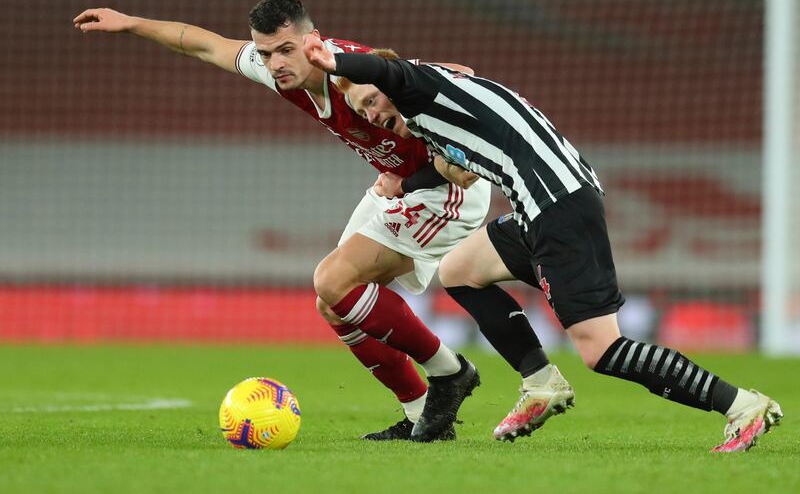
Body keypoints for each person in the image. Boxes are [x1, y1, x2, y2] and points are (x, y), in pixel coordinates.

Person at [304, 37, 784, 451]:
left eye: (372, 100)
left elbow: (385, 69)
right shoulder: (438, 107)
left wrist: (334, 62)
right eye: (363, 108)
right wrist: (405, 186)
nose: (371, 113)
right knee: (459, 270)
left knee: (602, 350)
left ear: (391, 82)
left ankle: (741, 405)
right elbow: (457, 168)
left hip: (559, 207)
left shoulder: (416, 85)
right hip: (540, 206)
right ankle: (540, 383)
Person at [73, 0, 497, 442]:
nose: (275, 63)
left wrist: (431, 154)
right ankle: (420, 416)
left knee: (334, 281)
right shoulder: (283, 72)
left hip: (446, 193)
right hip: (401, 181)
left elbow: (439, 86)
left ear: (312, 41)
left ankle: (450, 372)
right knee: (333, 304)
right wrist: (131, 22)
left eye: (285, 50)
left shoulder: (358, 77)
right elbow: (205, 44)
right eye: (265, 53)